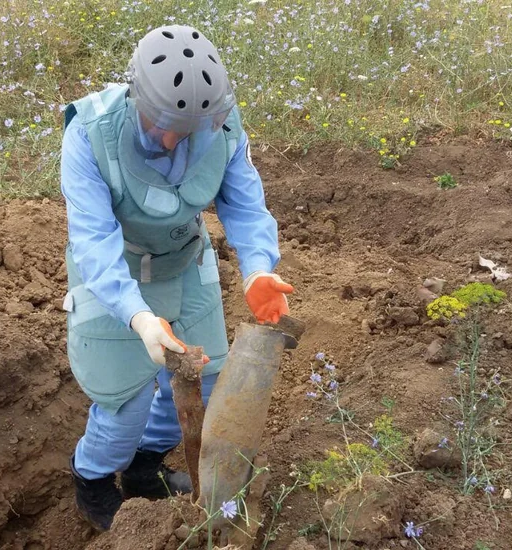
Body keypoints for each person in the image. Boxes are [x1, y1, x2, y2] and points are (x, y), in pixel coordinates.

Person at [59, 24, 294, 532]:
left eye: (187, 126)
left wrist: (258, 270)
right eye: (160, 122)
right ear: (136, 96)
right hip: (114, 272)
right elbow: (94, 243)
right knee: (126, 399)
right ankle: (94, 479)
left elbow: (246, 206)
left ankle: (145, 469)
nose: (172, 139)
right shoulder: (89, 134)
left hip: (185, 260)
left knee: (204, 377)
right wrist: (140, 319)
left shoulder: (224, 128)